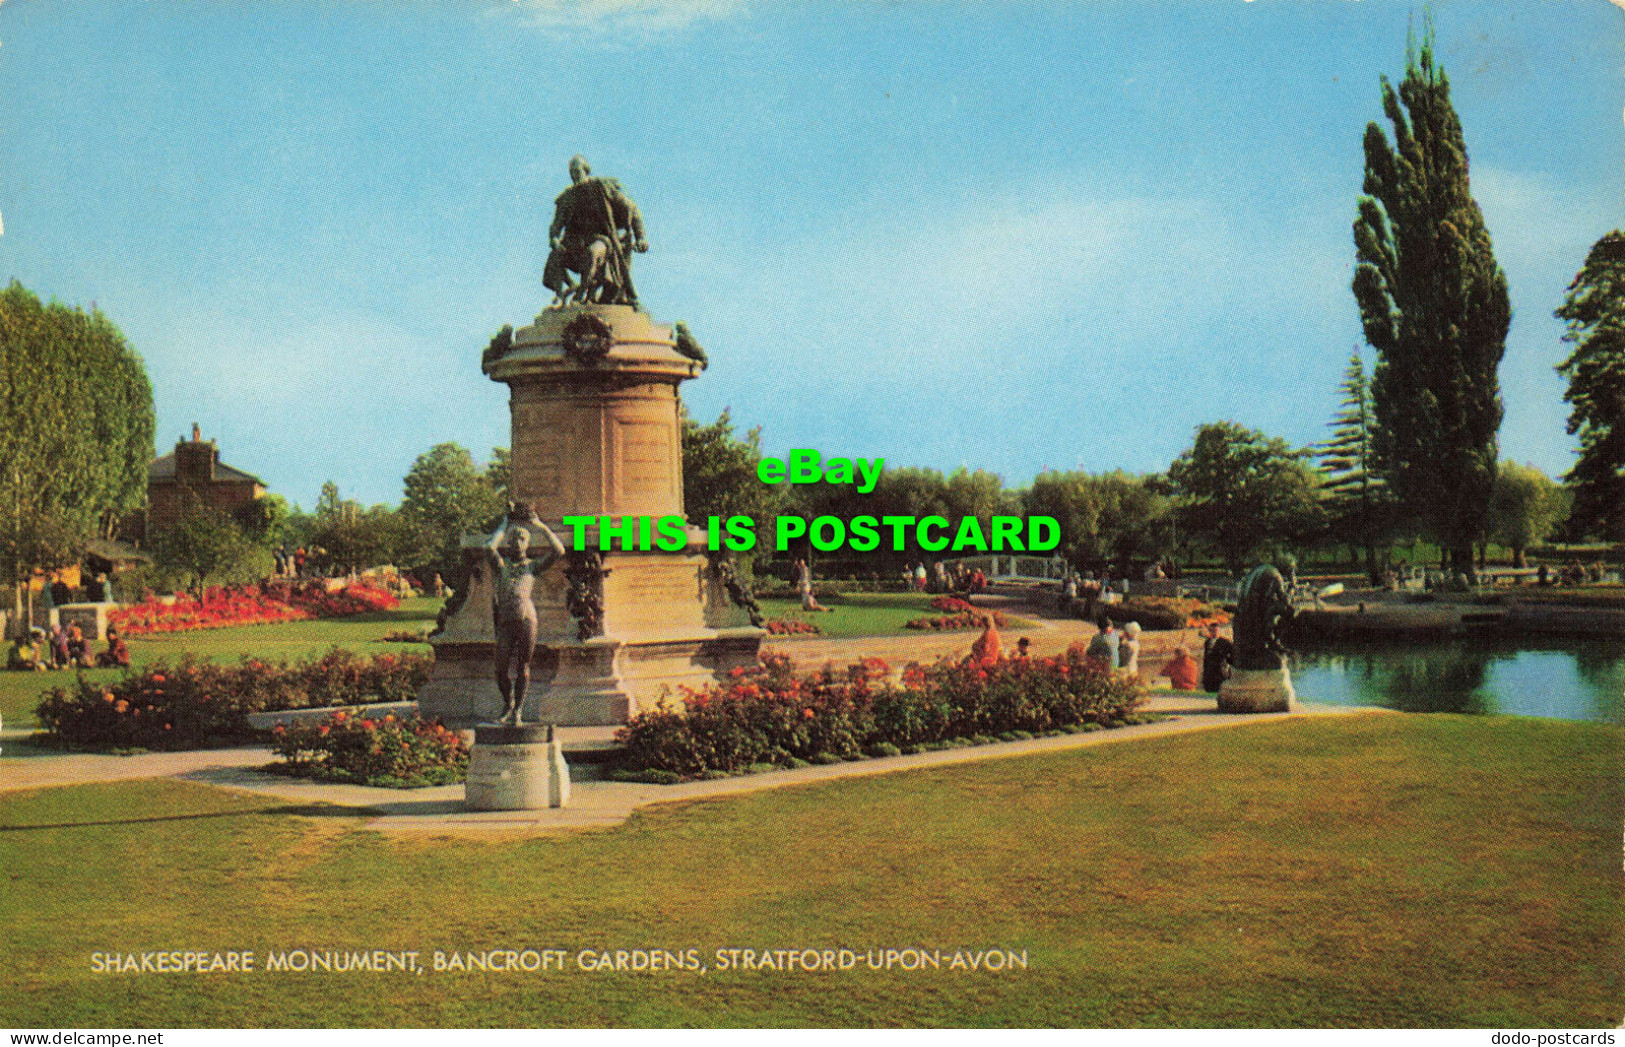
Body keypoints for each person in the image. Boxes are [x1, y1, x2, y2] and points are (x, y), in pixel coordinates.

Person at [486, 503, 567, 727]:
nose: (516, 543)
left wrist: (539, 525)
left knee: (523, 666)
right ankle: (508, 704)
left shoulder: (532, 567)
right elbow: (488, 549)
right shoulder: (501, 566)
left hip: (526, 619)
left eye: (521, 539)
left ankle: (518, 711)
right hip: (505, 620)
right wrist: (505, 524)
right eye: (513, 539)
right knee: (501, 668)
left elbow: (559, 550)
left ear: (528, 544)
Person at [544, 155, 648, 308]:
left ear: (586, 170)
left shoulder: (602, 188)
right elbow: (556, 225)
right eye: (571, 172)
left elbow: (631, 209)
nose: (574, 174)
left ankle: (581, 295)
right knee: (556, 256)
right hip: (574, 243)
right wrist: (553, 238)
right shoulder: (567, 197)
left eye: (577, 170)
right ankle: (560, 296)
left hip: (601, 240)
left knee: (592, 252)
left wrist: (641, 237)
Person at [1201, 621, 1235, 693]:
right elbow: (1206, 657)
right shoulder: (1207, 642)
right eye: (1211, 630)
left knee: (1219, 689)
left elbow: (1232, 655)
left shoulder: (1225, 642)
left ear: (1219, 630)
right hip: (1209, 671)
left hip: (1220, 670)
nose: (1213, 632)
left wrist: (1227, 664)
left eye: (1215, 630)